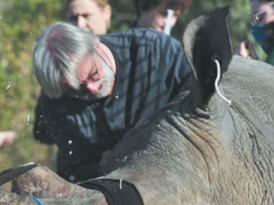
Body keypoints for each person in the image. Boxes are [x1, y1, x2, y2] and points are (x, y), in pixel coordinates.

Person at [32, 22, 191, 182]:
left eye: (93, 74)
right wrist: (100, 169)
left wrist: (160, 123)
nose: (93, 89)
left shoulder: (153, 49)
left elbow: (205, 93)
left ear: (96, 44)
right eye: (77, 89)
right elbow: (70, 172)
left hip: (180, 170)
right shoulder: (56, 101)